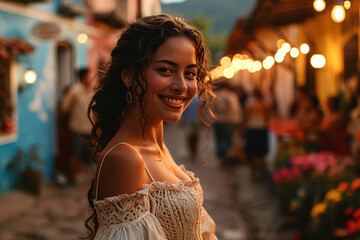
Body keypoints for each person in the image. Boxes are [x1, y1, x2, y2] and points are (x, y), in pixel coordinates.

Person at [85, 14, 218, 240]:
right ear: (128, 76)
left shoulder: (160, 148)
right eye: (166, 70)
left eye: (190, 73)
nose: (181, 86)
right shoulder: (125, 158)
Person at [60, 68, 94, 184]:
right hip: (76, 128)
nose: (90, 79)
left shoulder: (90, 91)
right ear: (83, 77)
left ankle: (80, 174)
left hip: (89, 129)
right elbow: (64, 107)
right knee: (74, 153)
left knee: (86, 155)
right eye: (88, 76)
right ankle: (71, 178)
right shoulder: (74, 91)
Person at [213, 81, 243, 166]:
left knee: (219, 141)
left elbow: (211, 109)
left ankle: (221, 159)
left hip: (218, 121)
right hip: (230, 121)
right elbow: (236, 109)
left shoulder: (216, 95)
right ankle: (228, 158)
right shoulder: (232, 96)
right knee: (229, 141)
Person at [244, 88, 270, 180]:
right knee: (260, 151)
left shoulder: (250, 105)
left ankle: (253, 171)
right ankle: (259, 170)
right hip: (262, 128)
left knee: (252, 151)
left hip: (252, 128)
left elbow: (246, 118)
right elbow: (267, 117)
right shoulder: (265, 105)